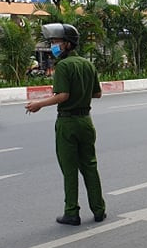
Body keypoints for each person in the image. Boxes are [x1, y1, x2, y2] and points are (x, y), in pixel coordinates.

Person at [26, 23, 106, 226]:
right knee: (90, 166)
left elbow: (63, 95)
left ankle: (71, 212)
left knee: (69, 170)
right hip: (86, 121)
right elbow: (97, 93)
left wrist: (39, 104)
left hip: (68, 123)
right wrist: (82, 92)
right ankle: (99, 210)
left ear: (68, 44)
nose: (53, 45)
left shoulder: (63, 66)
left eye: (56, 42)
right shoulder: (88, 64)